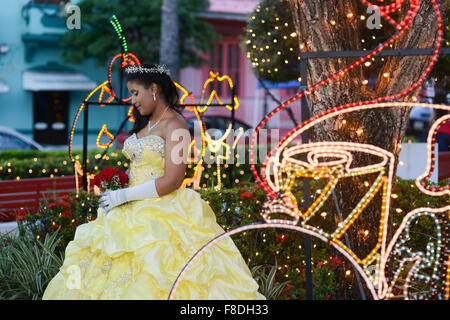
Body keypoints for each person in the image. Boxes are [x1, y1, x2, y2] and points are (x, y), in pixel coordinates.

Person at [42, 64, 265, 300]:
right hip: (127, 209)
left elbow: (173, 179)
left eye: (136, 92)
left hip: (162, 209)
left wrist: (123, 195)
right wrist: (118, 189)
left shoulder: (176, 125)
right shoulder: (145, 124)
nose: (133, 100)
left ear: (154, 89)